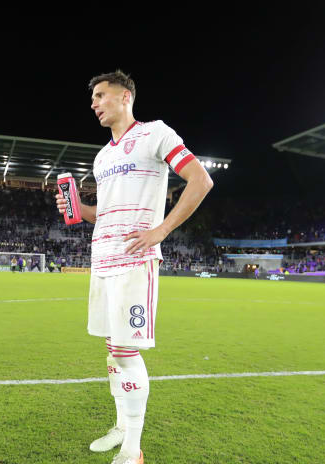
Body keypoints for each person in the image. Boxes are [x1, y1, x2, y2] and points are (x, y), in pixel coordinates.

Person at [56, 70, 213, 464]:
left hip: (134, 260)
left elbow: (200, 179)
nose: (93, 103)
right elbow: (104, 213)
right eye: (92, 97)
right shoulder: (103, 155)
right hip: (102, 258)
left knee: (126, 351)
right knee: (112, 349)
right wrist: (77, 210)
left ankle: (133, 450)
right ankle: (122, 426)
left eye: (100, 95)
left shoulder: (155, 133)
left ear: (125, 96)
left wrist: (161, 229)